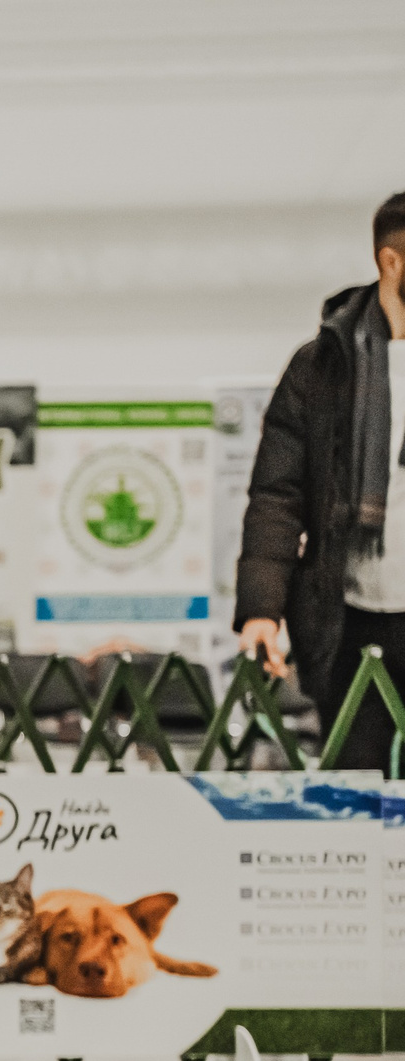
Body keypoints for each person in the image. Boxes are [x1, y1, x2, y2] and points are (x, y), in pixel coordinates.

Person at [235, 191, 405, 771]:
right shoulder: (322, 366)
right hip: (349, 621)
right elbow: (277, 497)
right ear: (391, 263)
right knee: (355, 801)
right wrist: (262, 609)